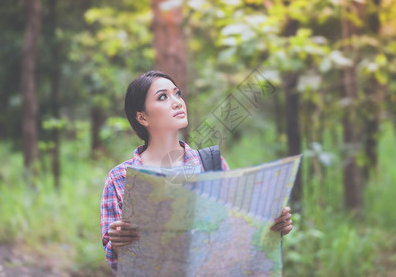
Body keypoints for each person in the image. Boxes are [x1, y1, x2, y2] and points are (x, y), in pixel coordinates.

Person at [100, 70, 293, 270]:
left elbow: (236, 235)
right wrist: (117, 242)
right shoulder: (120, 178)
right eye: (163, 97)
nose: (177, 102)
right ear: (142, 118)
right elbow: (114, 261)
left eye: (177, 93)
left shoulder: (210, 164)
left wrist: (272, 226)